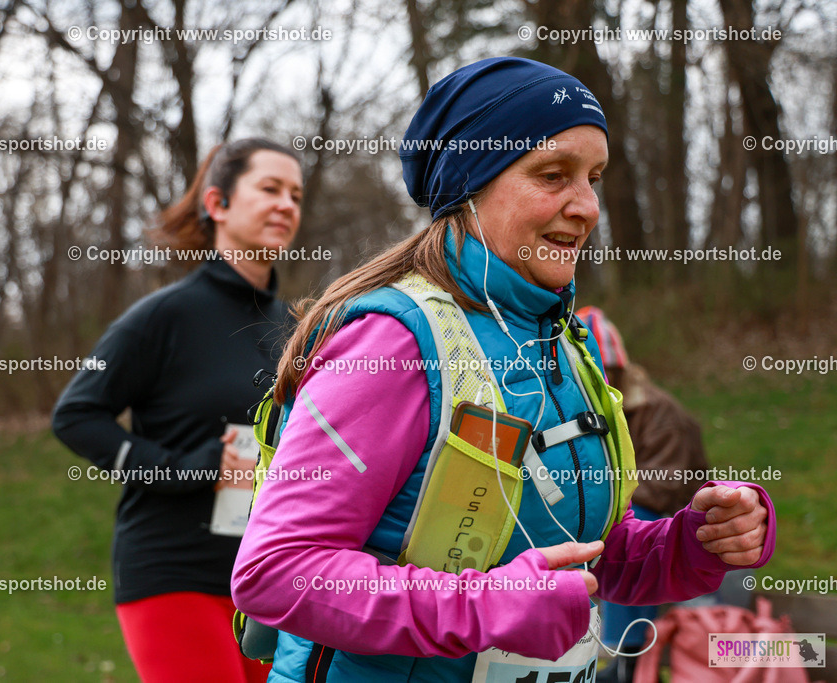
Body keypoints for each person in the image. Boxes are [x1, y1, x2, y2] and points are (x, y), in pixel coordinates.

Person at [230, 58, 775, 682]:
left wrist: (690, 543)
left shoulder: (565, 344)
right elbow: (274, 572)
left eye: (593, 177)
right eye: (553, 175)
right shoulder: (393, 342)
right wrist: (486, 607)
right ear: (471, 185)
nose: (588, 207)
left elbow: (586, 552)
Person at [52, 138, 303, 682]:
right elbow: (75, 415)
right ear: (218, 205)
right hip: (173, 571)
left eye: (296, 195)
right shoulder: (164, 316)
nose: (287, 204)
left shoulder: (294, 327)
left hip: (265, 576)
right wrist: (187, 467)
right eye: (269, 189)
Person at [575, 306, 711, 682]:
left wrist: (600, 497)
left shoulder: (660, 414)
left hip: (675, 521)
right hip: (615, 514)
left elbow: (662, 488)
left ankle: (627, 655)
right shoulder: (583, 410)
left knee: (630, 535)